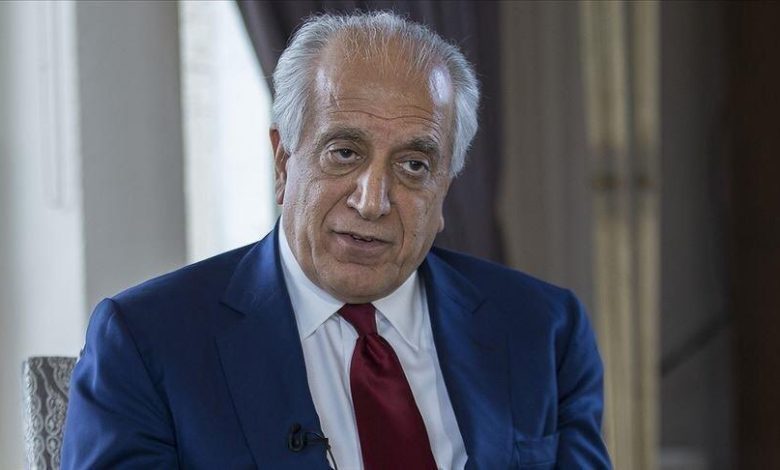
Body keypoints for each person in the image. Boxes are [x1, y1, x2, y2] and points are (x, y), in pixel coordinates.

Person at [62, 11, 611, 470]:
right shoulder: (148, 343)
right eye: (344, 153)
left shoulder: (545, 330)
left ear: (446, 187)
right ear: (283, 162)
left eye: (414, 165)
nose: (372, 201)